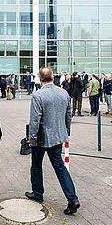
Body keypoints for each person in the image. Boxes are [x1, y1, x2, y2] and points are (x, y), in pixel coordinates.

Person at [25, 67, 80, 215]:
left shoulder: (38, 95)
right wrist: (66, 131)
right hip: (58, 136)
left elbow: (35, 120)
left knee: (36, 165)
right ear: (52, 77)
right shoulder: (64, 93)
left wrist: (32, 139)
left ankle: (37, 193)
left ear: (40, 78)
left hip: (41, 138)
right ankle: (72, 198)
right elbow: (69, 115)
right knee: (60, 167)